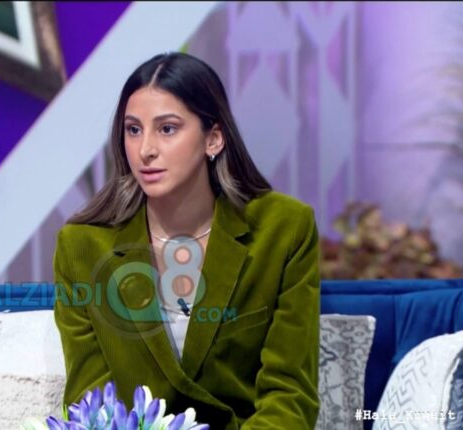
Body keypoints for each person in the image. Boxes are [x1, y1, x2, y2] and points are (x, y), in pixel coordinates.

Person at [52, 52, 320, 429]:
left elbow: (289, 395)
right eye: (133, 130)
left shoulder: (284, 229)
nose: (145, 149)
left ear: (213, 138)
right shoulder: (83, 246)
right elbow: (92, 401)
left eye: (167, 129)